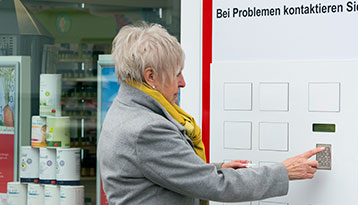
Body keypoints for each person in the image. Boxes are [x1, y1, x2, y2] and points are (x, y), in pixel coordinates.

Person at [97, 23, 325, 205]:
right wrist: (283, 172)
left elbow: (159, 171)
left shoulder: (124, 109)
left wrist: (215, 168)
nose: (183, 83)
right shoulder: (147, 129)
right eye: (176, 74)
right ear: (151, 77)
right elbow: (214, 185)